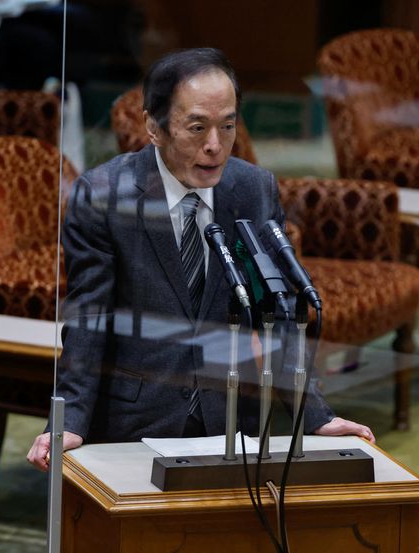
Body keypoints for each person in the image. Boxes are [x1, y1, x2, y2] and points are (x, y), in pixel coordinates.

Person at [27, 48, 374, 471]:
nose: (215, 146)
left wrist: (317, 415)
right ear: (154, 127)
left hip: (230, 421)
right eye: (197, 128)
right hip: (133, 422)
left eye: (227, 126)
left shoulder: (253, 189)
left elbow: (279, 315)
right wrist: (71, 419)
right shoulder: (103, 196)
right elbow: (90, 318)